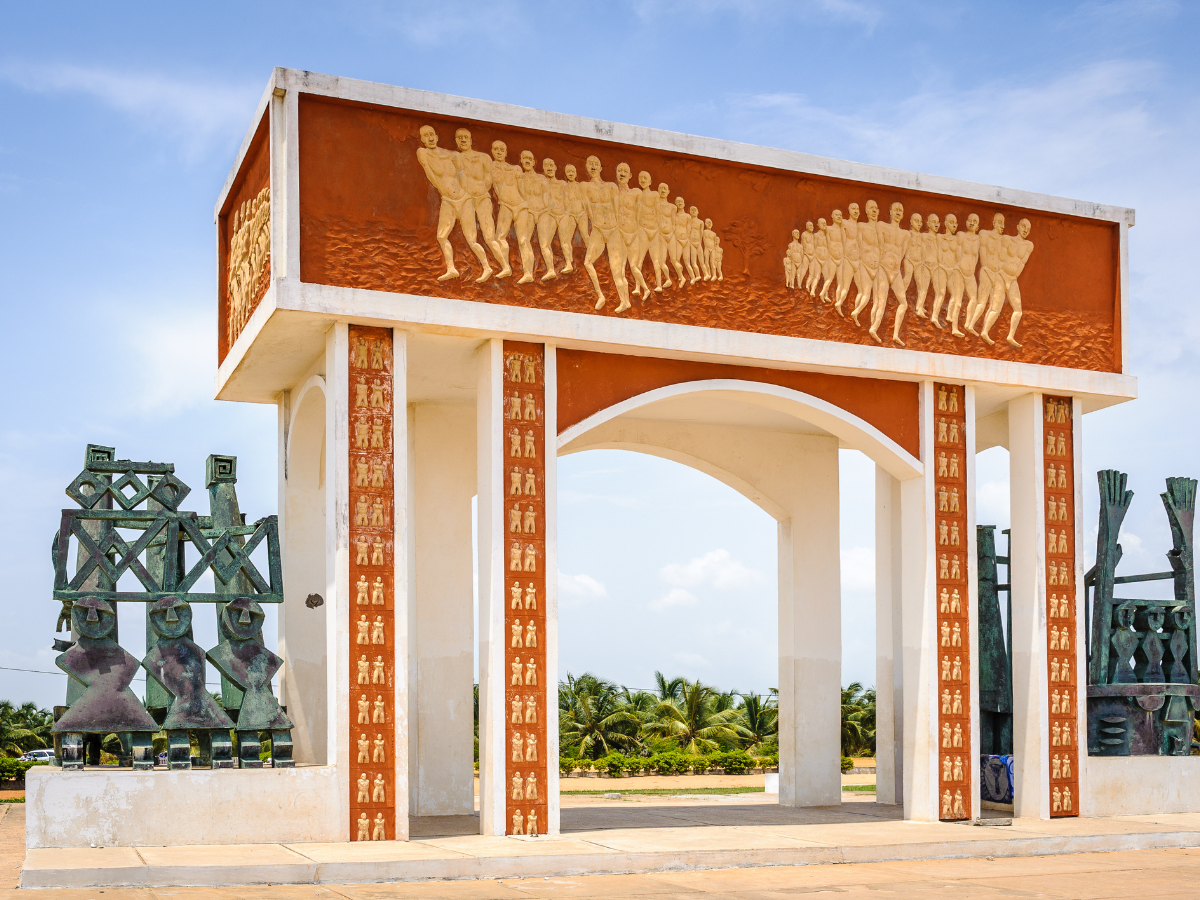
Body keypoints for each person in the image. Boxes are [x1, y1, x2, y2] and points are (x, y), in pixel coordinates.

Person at [415, 125, 491, 282]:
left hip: (464, 200)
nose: (429, 137)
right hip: (448, 200)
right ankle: (451, 269)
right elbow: (432, 177)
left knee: (471, 239)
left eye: (431, 134)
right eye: (425, 135)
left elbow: (463, 175)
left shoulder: (453, 155)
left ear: (437, 136)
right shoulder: (423, 153)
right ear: (422, 139)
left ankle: (487, 267)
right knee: (441, 236)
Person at [453, 128, 506, 278]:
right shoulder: (455, 158)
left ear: (471, 140)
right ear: (456, 141)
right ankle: (486, 268)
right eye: (460, 138)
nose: (463, 140)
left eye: (466, 137)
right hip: (466, 201)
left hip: (482, 199)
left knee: (489, 237)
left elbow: (488, 179)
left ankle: (505, 266)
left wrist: (480, 191)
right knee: (471, 238)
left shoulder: (483, 158)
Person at [582, 156, 631, 312]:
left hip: (613, 230)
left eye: (596, 164)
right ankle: (600, 295)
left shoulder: (611, 187)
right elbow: (587, 208)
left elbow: (616, 209)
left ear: (601, 168)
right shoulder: (584, 186)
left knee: (617, 270)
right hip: (598, 229)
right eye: (591, 164)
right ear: (587, 167)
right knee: (587, 262)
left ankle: (625, 301)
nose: (593, 167)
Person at [981, 217, 1033, 348]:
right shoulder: (1007, 240)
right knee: (995, 307)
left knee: (1018, 310)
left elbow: (1022, 264)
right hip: (1001, 276)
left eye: (1028, 228)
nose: (1025, 230)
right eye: (1023, 226)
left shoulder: (1029, 246)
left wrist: (1012, 279)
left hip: (1012, 279)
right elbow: (999, 259)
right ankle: (985, 331)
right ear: (1018, 227)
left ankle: (1010, 335)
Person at [491, 141, 535, 284]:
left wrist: (527, 206)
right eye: (496, 149)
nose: (499, 152)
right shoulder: (490, 167)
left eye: (502, 150)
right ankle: (506, 267)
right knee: (499, 237)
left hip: (520, 206)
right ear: (492, 151)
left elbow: (522, 189)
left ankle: (528, 273)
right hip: (505, 206)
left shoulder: (515, 169)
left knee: (523, 240)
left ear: (506, 152)